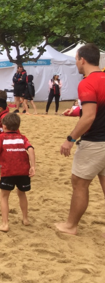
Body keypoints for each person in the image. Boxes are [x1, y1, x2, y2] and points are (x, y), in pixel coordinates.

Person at [56, 44, 105, 235]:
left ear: (82, 60)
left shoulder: (87, 82)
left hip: (94, 141)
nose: (76, 63)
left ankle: (70, 226)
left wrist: (70, 139)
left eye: (76, 59)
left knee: (79, 183)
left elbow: (89, 116)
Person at [0, 113, 35, 232]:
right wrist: (33, 166)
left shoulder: (1, 137)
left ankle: (5, 224)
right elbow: (30, 149)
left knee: (4, 196)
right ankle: (25, 219)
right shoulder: (22, 137)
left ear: (4, 126)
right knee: (22, 194)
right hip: (23, 171)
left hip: (8, 171)